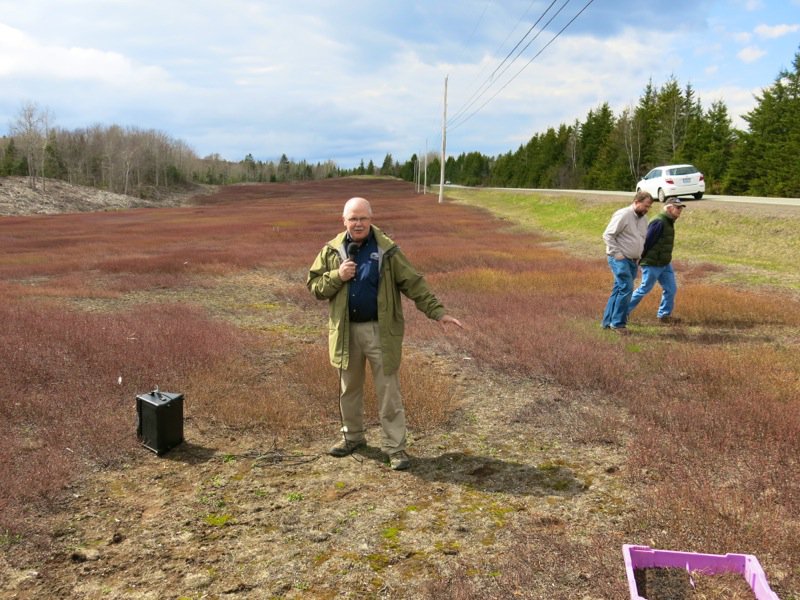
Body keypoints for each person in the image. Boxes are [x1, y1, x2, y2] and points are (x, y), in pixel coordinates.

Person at [307, 196, 463, 471]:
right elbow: (315, 286)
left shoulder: (387, 250)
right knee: (348, 389)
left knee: (388, 391)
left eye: (363, 218)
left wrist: (438, 313)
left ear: (371, 219)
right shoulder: (331, 251)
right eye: (353, 218)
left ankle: (395, 448)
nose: (358, 223)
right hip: (345, 332)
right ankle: (352, 437)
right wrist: (337, 276)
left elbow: (413, 282)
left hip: (380, 331)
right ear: (344, 221)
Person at [601, 190, 654, 335]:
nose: (647, 209)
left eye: (649, 207)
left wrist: (638, 257)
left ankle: (607, 322)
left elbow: (641, 239)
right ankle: (618, 324)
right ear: (636, 202)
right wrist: (617, 254)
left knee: (619, 289)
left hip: (632, 260)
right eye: (645, 206)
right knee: (626, 288)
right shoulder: (623, 214)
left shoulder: (644, 219)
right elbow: (608, 235)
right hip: (619, 259)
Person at [627, 197, 685, 323]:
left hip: (664, 263)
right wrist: (640, 259)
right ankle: (622, 313)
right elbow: (646, 242)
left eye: (681, 208)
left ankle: (664, 316)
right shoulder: (659, 221)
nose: (680, 210)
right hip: (652, 263)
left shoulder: (669, 221)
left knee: (671, 289)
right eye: (677, 207)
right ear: (669, 208)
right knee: (644, 289)